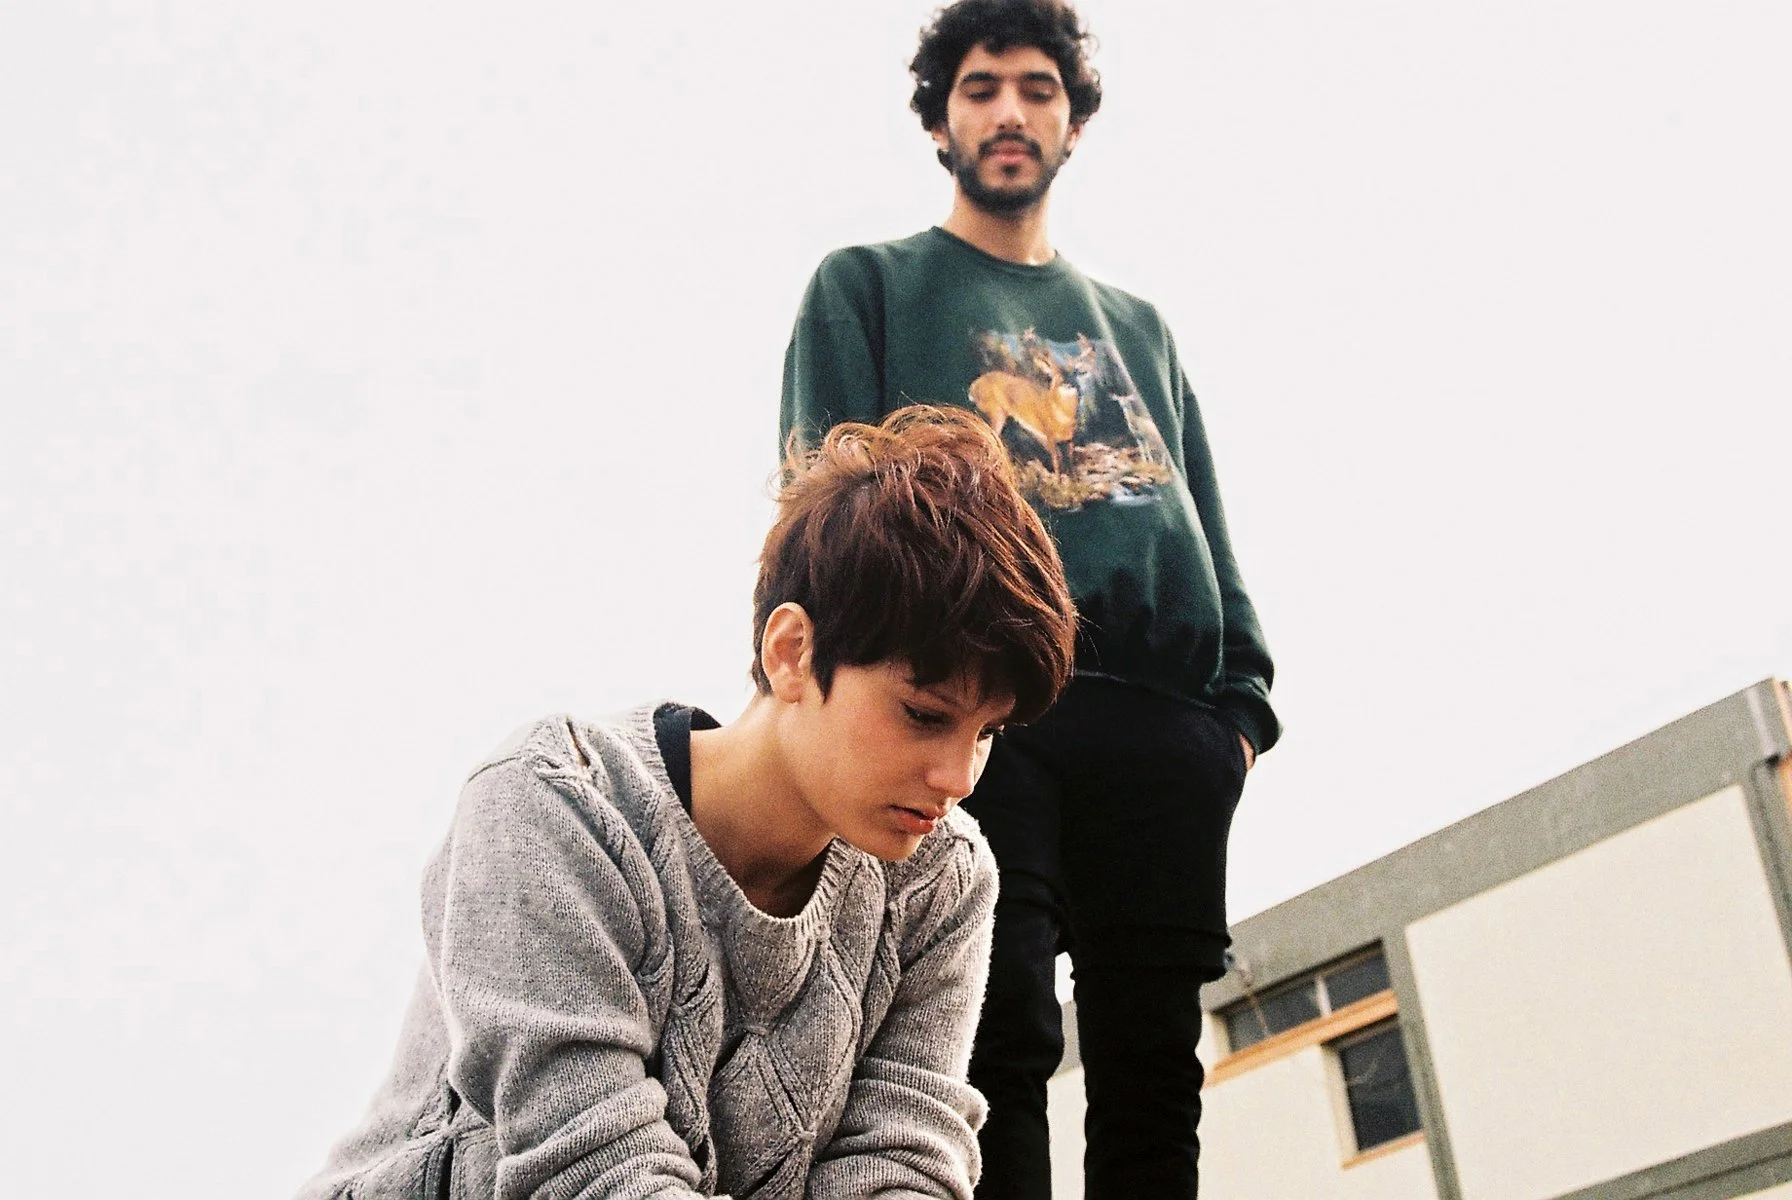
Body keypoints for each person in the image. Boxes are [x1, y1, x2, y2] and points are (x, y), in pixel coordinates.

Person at [295, 406, 1077, 1200]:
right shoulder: (554, 804)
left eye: (988, 733)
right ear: (792, 652)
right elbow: (596, 1173)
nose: (960, 777)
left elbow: (900, 1160)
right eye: (924, 715)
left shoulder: (940, 878)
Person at [779, 2, 1280, 1195]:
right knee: (984, 1044)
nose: (1010, 111)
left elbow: (1200, 509)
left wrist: (1240, 709)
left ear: (1072, 122)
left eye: (1037, 89)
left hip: (1164, 718)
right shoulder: (869, 285)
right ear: (939, 121)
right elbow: (817, 509)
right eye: (981, 87)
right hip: (976, 709)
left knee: (1153, 1068)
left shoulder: (1136, 327)